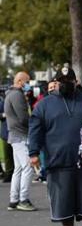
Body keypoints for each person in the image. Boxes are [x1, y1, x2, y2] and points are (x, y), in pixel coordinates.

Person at [29, 65, 82, 226]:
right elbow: (35, 130)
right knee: (63, 201)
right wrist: (33, 152)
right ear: (55, 83)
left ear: (76, 82)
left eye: (69, 81)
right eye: (62, 82)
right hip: (58, 160)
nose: (66, 84)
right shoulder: (44, 105)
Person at [4, 71, 36, 211]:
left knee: (18, 169)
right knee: (28, 167)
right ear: (20, 81)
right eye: (27, 81)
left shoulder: (10, 94)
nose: (28, 84)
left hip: (14, 135)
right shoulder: (17, 95)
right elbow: (23, 118)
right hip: (20, 135)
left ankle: (13, 199)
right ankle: (23, 199)